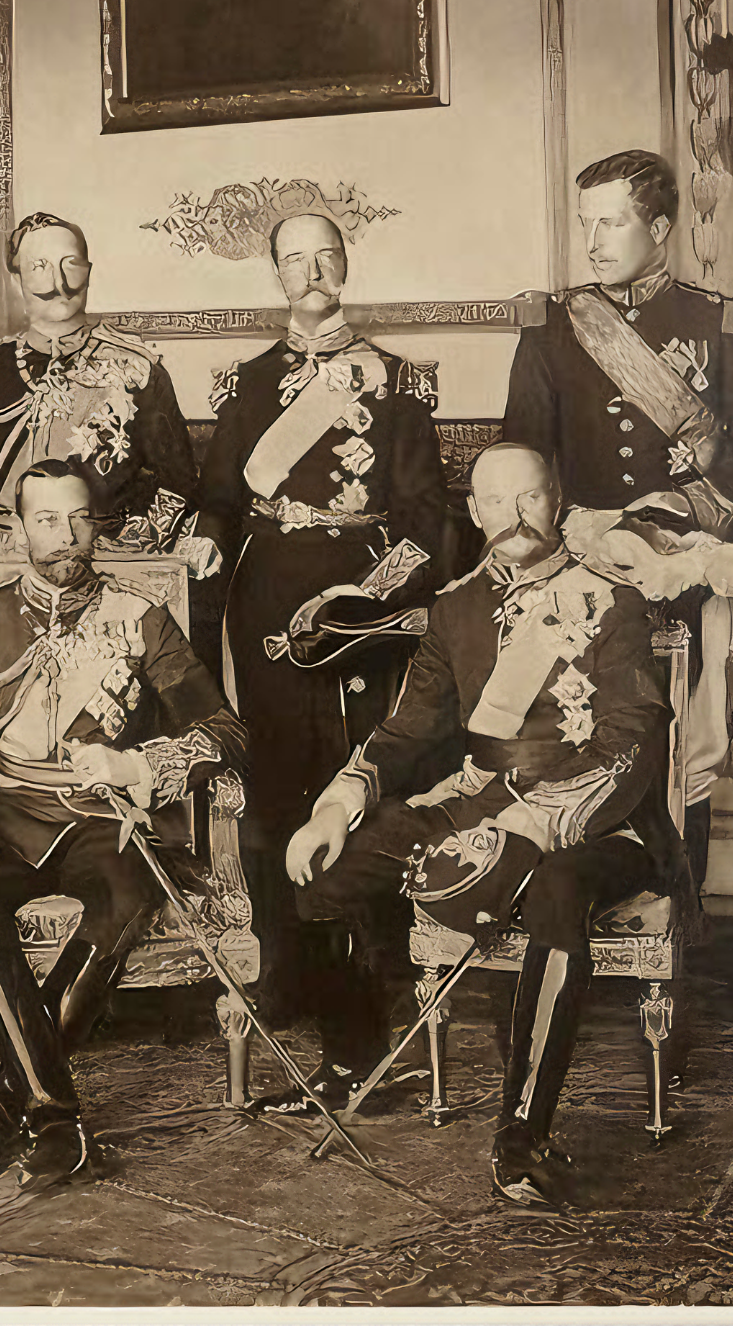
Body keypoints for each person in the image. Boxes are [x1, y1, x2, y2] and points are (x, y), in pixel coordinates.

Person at [277, 443, 678, 1206]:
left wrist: (536, 826)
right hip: (480, 796)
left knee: (556, 891)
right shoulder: (455, 608)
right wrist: (336, 804)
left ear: (556, 500)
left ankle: (522, 1137)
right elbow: (407, 729)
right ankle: (360, 1058)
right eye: (496, 502)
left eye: (530, 498)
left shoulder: (612, 600)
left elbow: (633, 741)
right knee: (325, 875)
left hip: (603, 819)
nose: (515, 517)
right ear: (473, 512)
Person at [0, 460, 246, 1191]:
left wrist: (135, 765)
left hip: (99, 812)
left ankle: (12, 1096)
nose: (66, 535)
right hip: (2, 808)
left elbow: (223, 730)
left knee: (126, 896)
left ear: (97, 523)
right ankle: (57, 1120)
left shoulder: (140, 616)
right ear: (20, 527)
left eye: (79, 518)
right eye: (47, 519)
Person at [503, 149, 733, 880]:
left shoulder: (719, 325)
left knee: (676, 762)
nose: (593, 241)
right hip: (584, 580)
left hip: (686, 579)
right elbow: (521, 461)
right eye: (586, 224)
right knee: (579, 750)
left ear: (659, 228)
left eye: (611, 223)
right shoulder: (552, 328)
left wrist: (687, 511)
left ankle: (679, 912)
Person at [197, 211, 448, 1019]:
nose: (311, 273)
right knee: (273, 774)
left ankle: (375, 962)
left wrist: (373, 596)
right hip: (268, 597)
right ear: (276, 274)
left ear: (345, 266)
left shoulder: (395, 381)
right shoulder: (246, 383)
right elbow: (220, 499)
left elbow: (425, 515)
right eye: (294, 260)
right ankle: (281, 962)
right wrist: (205, 539)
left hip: (362, 599)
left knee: (361, 764)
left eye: (325, 257)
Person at [0, 212, 219, 575]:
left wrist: (137, 548)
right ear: (16, 279)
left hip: (106, 565)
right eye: (39, 267)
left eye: (70, 265)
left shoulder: (138, 371)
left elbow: (177, 485)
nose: (58, 283)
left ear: (88, 272)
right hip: (1, 563)